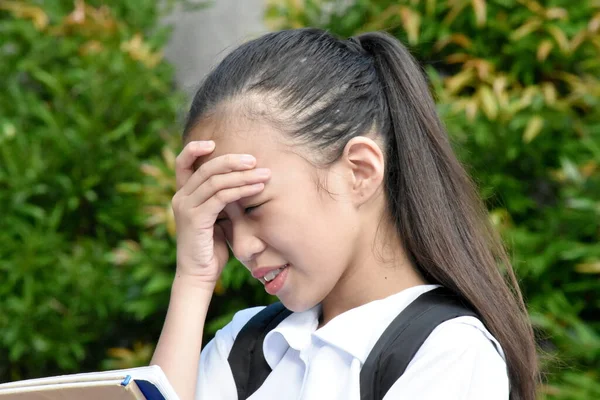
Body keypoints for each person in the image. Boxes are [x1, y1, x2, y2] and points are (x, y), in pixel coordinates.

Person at [150, 28, 538, 400]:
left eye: (253, 207)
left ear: (360, 172)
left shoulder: (447, 350)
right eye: (222, 220)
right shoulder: (247, 346)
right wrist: (193, 279)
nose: (242, 246)